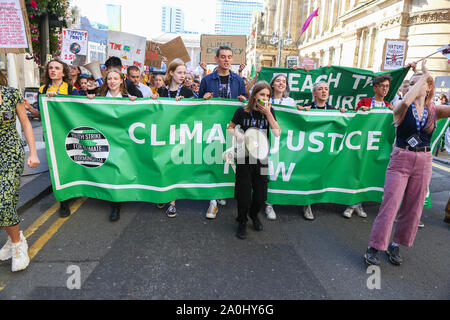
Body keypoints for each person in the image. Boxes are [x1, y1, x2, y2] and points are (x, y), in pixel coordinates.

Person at [364, 60, 450, 266]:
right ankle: (375, 246)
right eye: (412, 83)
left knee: (413, 208)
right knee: (390, 204)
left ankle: (396, 244)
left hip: (424, 161)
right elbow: (403, 102)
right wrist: (424, 73)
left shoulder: (434, 110)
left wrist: (426, 77)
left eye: (421, 83)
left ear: (429, 87)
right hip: (401, 158)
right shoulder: (400, 107)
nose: (416, 85)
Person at [227, 81, 280, 239]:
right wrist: (237, 134)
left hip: (262, 159)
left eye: (268, 96)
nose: (265, 98)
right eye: (262, 94)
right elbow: (230, 127)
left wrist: (268, 113)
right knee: (243, 193)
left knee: (261, 194)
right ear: (254, 95)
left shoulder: (270, 111)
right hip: (244, 157)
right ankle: (242, 221)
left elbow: (277, 133)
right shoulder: (242, 111)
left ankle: (254, 214)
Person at [199, 45, 247, 219]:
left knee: (226, 159)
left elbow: (245, 106)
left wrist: (244, 99)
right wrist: (203, 99)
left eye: (229, 57)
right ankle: (212, 201)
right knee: (211, 158)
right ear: (217, 59)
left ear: (232, 59)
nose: (226, 60)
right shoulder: (207, 80)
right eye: (223, 57)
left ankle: (222, 192)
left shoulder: (238, 80)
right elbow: (198, 106)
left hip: (230, 128)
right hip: (211, 128)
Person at [340, 75, 393, 220]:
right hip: (360, 144)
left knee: (367, 175)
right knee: (356, 173)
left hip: (377, 147)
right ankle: (351, 204)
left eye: (387, 86)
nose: (384, 89)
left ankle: (359, 204)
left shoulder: (389, 106)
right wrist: (360, 110)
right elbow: (354, 120)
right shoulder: (365, 102)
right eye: (382, 86)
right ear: (375, 88)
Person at [87, 68, 136, 221]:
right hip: (105, 139)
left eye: (115, 78)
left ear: (122, 80)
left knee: (118, 170)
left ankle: (116, 204)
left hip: (122, 142)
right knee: (108, 170)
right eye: (109, 79)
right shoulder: (99, 98)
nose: (112, 81)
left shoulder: (129, 98)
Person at [0, 83, 40, 272]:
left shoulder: (10, 93)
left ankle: (18, 245)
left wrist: (33, 152)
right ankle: (11, 240)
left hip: (10, 154)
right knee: (5, 203)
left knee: (4, 202)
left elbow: (25, 123)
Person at [152, 59, 194, 217]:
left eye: (184, 72)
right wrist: (153, 101)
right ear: (171, 73)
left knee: (174, 167)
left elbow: (195, 113)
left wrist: (184, 105)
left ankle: (172, 202)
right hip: (163, 135)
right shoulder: (162, 91)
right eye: (179, 72)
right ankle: (163, 195)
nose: (183, 75)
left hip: (179, 137)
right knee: (162, 166)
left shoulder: (188, 93)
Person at [295, 81, 338, 220]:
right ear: (314, 93)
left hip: (325, 150)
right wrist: (300, 112)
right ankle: (306, 204)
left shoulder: (334, 110)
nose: (324, 91)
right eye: (320, 89)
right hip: (309, 150)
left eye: (326, 89)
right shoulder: (307, 109)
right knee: (308, 174)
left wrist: (345, 114)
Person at [263, 74, 296, 221]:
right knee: (264, 171)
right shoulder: (265, 99)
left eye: (284, 81)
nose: (281, 83)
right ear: (273, 84)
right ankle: (262, 200)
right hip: (265, 138)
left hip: (283, 141)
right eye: (278, 80)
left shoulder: (290, 101)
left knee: (276, 170)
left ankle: (271, 202)